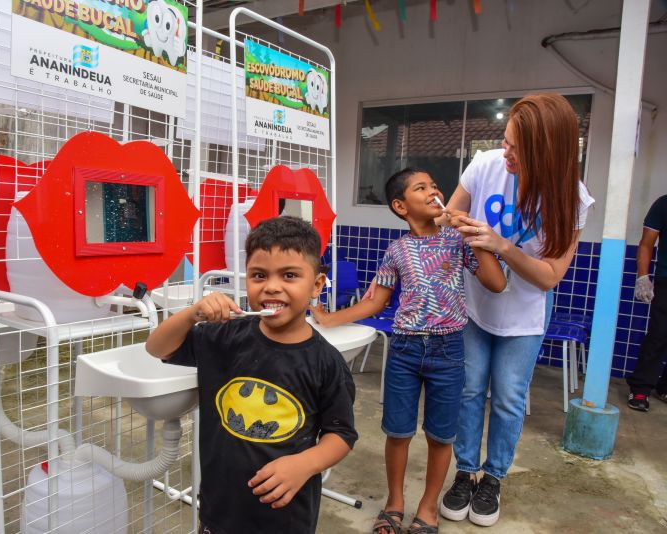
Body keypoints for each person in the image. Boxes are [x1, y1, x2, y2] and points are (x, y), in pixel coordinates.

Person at [310, 168, 506, 534]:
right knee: (398, 432)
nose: (434, 191)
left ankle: (429, 507)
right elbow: (376, 302)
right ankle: (395, 502)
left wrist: (472, 234)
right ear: (401, 206)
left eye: (435, 185)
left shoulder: (457, 241)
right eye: (422, 188)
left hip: (448, 351)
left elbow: (496, 283)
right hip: (404, 350)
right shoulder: (396, 249)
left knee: (441, 435)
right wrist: (328, 318)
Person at [436, 93, 595, 527]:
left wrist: (502, 245)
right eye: (504, 141)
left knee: (507, 398)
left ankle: (493, 479)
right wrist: (456, 222)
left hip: (523, 317)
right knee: (469, 391)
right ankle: (465, 472)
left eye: (515, 149)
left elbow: (549, 276)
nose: (504, 152)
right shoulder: (485, 164)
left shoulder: (572, 198)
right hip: (473, 304)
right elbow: (450, 213)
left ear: (546, 153)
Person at [145, 216, 358, 534]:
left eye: (289, 275)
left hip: (285, 517)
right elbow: (157, 347)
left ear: (316, 285)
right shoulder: (225, 336)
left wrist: (304, 464)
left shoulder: (325, 362)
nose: (272, 286)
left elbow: (341, 434)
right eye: (259, 275)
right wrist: (193, 313)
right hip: (218, 511)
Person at [626, 194, 667, 411]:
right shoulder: (663, 204)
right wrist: (643, 277)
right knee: (659, 335)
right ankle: (640, 387)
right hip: (666, 281)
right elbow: (646, 244)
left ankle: (665, 386)